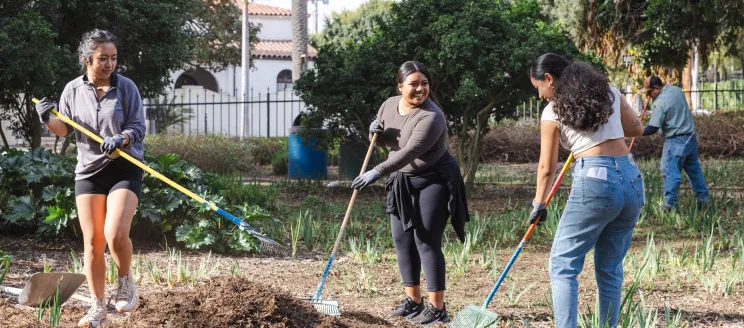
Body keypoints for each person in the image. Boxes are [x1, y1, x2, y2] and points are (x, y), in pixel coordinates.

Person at [35, 29, 145, 328]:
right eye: (102, 59)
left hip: (123, 166)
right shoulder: (72, 90)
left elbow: (138, 127)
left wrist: (122, 138)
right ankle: (97, 308)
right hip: (89, 172)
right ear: (86, 59)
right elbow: (63, 129)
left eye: (113, 58)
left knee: (115, 234)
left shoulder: (126, 88)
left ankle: (125, 283)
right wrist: (46, 117)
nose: (109, 64)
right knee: (93, 242)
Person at [529, 53, 645, 328]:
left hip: (595, 179)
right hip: (630, 178)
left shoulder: (552, 111)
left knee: (563, 264)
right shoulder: (609, 92)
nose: (540, 96)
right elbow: (636, 129)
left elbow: (547, 166)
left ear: (549, 79)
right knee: (609, 268)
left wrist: (539, 203)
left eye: (538, 88)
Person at [351, 61, 469, 325]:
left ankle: (437, 307)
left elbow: (409, 151)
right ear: (400, 86)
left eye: (424, 83)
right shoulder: (388, 105)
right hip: (403, 180)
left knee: (425, 240)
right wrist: (375, 133)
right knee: (402, 239)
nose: (419, 89)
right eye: (413, 84)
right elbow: (388, 141)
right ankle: (412, 300)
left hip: (434, 179)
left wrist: (376, 172)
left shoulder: (432, 116)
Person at [640, 76, 710, 210]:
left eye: (649, 92)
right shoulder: (677, 90)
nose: (648, 95)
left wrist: (637, 131)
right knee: (694, 171)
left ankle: (670, 205)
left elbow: (653, 128)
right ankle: (704, 200)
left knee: (670, 172)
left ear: (657, 88)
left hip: (676, 141)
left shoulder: (659, 102)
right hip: (690, 138)